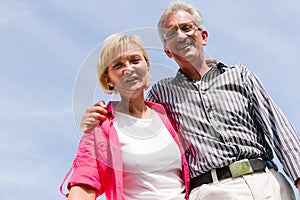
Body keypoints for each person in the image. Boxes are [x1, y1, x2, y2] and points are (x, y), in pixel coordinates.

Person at [80, 1, 300, 199]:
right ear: (166, 50)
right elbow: (133, 112)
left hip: (267, 183)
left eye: (186, 28)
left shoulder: (240, 75)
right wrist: (99, 116)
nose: (181, 36)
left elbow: (281, 133)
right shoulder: (162, 95)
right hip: (212, 191)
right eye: (171, 33)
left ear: (203, 36)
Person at [60, 33, 190, 200]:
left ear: (147, 66)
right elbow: (84, 185)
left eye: (135, 60)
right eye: (118, 65)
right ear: (108, 79)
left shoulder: (169, 115)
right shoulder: (100, 126)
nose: (128, 69)